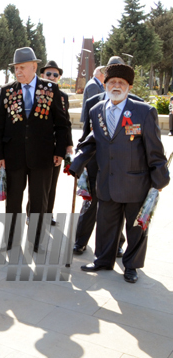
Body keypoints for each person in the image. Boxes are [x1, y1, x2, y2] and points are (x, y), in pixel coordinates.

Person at [69, 58, 169, 283]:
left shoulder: (144, 111)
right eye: (111, 81)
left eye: (121, 83)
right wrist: (76, 164)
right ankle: (103, 260)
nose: (116, 86)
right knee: (106, 225)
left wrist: (159, 180)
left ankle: (131, 266)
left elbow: (155, 150)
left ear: (129, 87)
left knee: (136, 228)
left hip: (136, 182)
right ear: (105, 85)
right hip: (106, 180)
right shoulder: (96, 110)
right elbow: (92, 140)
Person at [0, 47, 69, 251]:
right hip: (13, 156)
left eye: (22, 67)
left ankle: (36, 241)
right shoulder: (7, 90)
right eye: (16, 68)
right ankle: (10, 240)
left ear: (34, 67)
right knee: (13, 201)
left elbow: (62, 123)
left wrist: (60, 151)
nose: (18, 71)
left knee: (39, 202)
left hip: (43, 156)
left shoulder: (51, 89)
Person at [73, 57, 143, 256]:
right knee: (90, 203)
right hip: (97, 164)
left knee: (118, 206)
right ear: (106, 79)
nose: (116, 83)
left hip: (123, 168)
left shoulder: (138, 103)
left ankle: (118, 244)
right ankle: (80, 241)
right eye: (112, 78)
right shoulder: (93, 103)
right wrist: (81, 161)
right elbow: (87, 134)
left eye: (121, 79)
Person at [39, 61, 73, 225]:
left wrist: (68, 144)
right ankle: (33, 212)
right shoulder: (36, 93)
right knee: (37, 182)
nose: (51, 77)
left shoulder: (63, 96)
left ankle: (48, 213)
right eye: (48, 74)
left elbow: (65, 123)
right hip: (39, 145)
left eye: (55, 75)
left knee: (52, 183)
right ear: (42, 76)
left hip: (57, 145)